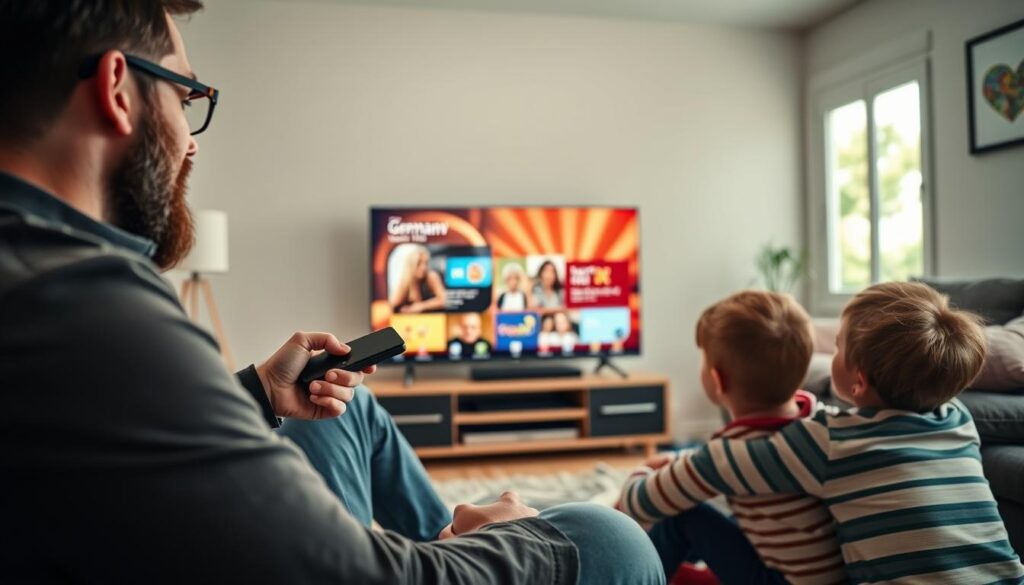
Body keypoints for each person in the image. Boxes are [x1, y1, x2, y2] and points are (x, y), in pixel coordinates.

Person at [0, 2, 665, 583]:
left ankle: (442, 534)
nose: (191, 146)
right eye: (187, 97)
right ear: (118, 88)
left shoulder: (35, 276)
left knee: (347, 409)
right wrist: (511, 538)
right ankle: (453, 540)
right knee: (608, 536)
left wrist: (259, 390)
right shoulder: (86, 305)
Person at [617, 282, 1024, 584]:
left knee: (683, 516)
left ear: (858, 381)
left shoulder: (827, 443)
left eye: (840, 346)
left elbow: (655, 496)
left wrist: (653, 470)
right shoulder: (959, 420)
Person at [618, 291, 846, 584]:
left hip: (777, 580)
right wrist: (680, 460)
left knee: (683, 516)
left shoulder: (725, 457)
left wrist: (646, 470)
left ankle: (640, 578)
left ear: (717, 380)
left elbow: (639, 502)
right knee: (738, 511)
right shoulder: (822, 421)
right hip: (831, 576)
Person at [390, 243, 446, 313]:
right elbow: (393, 306)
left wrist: (421, 306)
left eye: (426, 263)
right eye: (419, 263)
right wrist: (405, 310)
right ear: (411, 265)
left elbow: (444, 300)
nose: (423, 267)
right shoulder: (406, 280)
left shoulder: (431, 276)